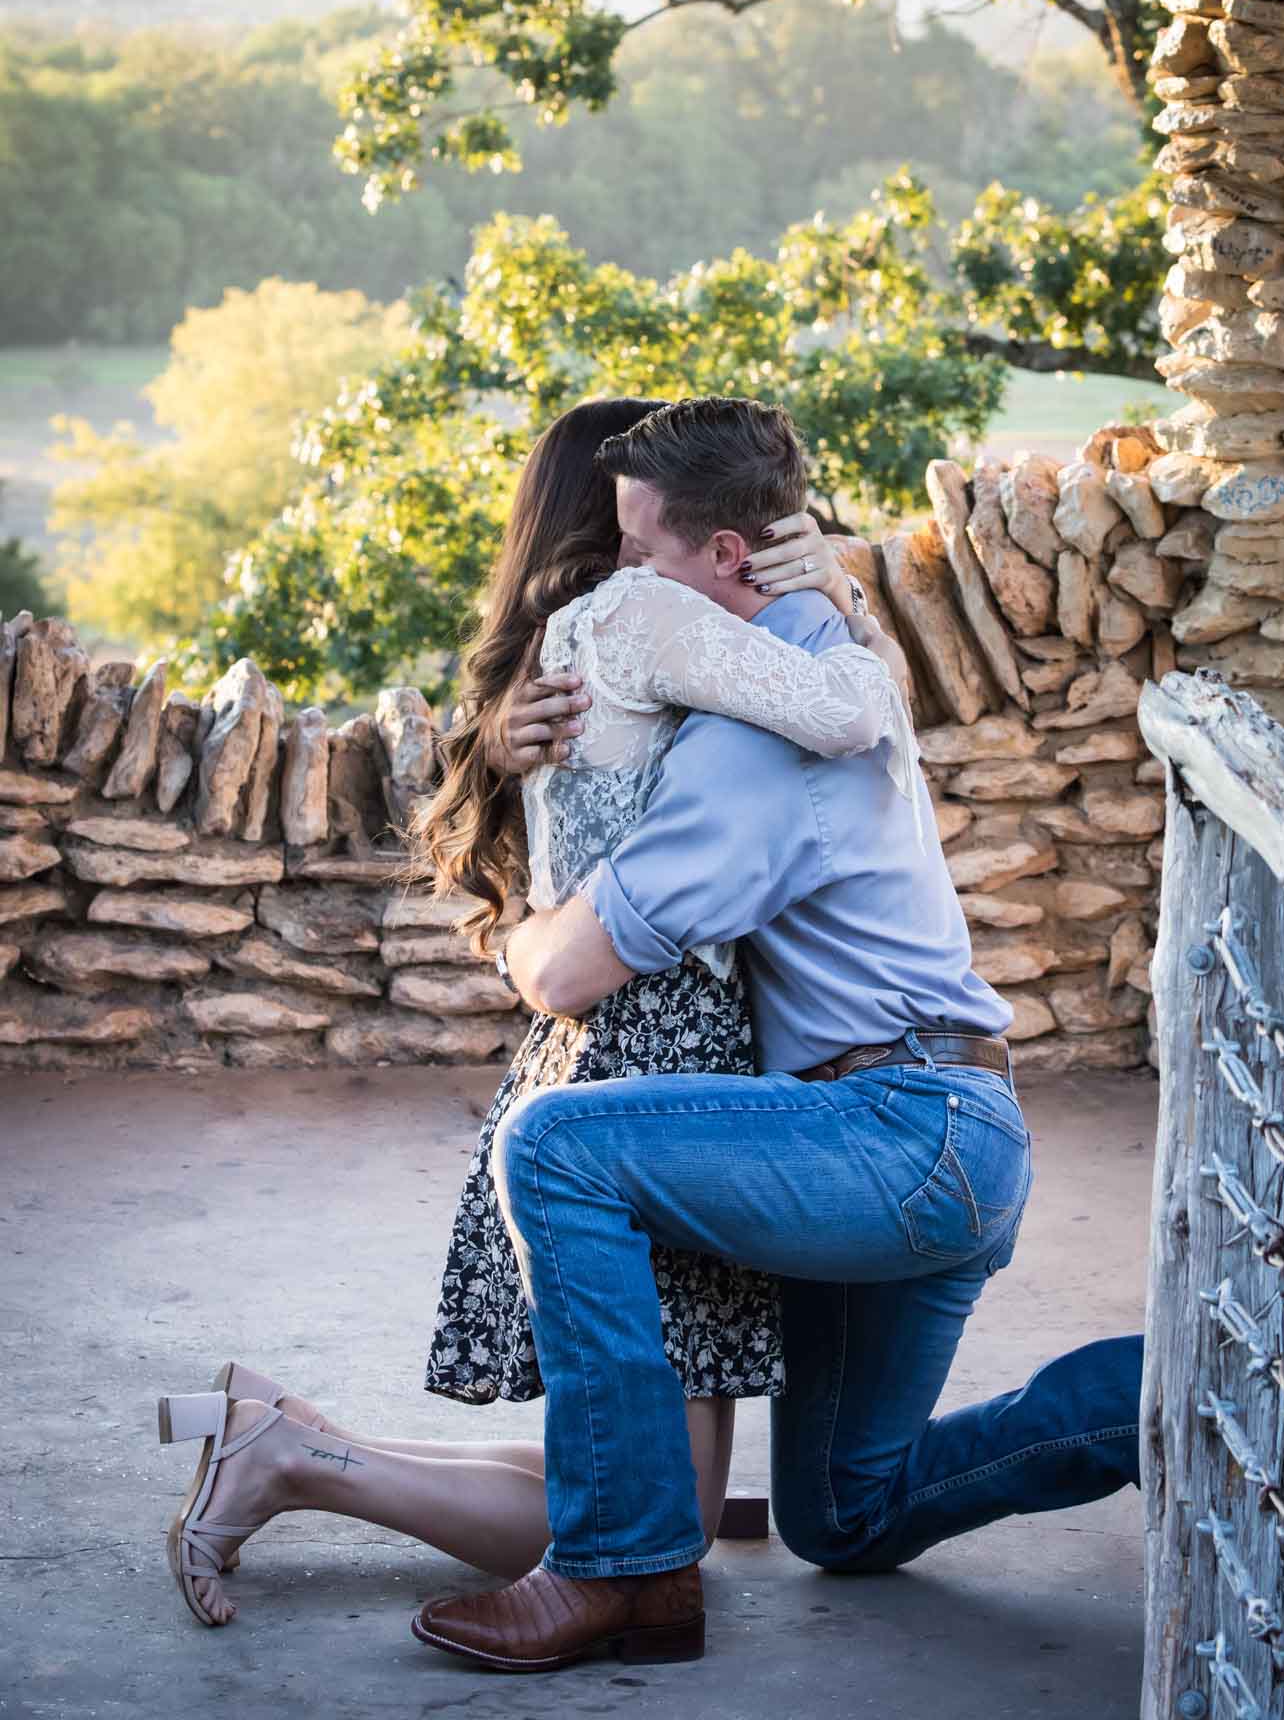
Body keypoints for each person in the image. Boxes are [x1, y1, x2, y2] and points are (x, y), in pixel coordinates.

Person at [410, 396, 1144, 1673]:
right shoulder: (803, 650)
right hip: (936, 1125)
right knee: (843, 1514)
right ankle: (1177, 1390)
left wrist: (524, 926)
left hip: (898, 1131)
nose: (623, 584)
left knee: (558, 1147)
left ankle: (619, 1566)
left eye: (640, 560)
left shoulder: (763, 734)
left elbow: (570, 967)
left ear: (724, 560)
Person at [157, 395, 915, 1630]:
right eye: (633, 514)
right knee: (642, 1522)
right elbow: (844, 714)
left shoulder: (571, 649)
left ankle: (294, 1435)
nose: (646, 530)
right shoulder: (629, 617)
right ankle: (292, 1461)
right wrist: (832, 598)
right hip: (651, 1039)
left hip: (613, 1038)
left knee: (644, 1485)